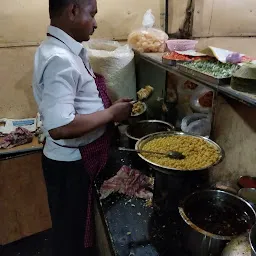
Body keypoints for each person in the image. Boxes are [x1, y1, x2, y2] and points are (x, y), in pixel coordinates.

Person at [32, 0, 132, 255]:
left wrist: (108, 109)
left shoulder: (68, 51)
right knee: (71, 238)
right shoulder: (59, 58)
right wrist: (110, 114)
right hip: (70, 167)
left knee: (73, 231)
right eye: (93, 14)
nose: (96, 23)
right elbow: (60, 127)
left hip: (77, 160)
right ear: (73, 10)